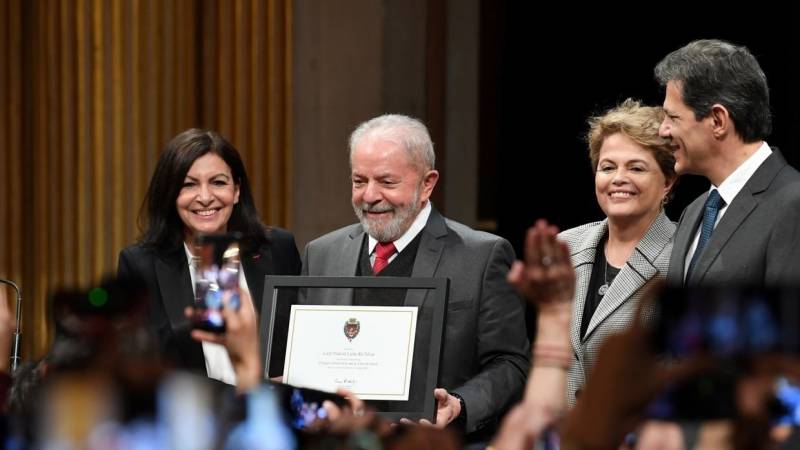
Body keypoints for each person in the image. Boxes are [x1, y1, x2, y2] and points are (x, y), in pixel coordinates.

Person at [301, 114, 530, 441]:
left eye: (386, 182)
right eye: (359, 181)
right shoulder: (321, 254)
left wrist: (460, 404)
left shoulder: (482, 256)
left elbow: (510, 363)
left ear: (427, 183)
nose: (369, 195)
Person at [118, 129, 301, 384]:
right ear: (171, 195)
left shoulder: (278, 248)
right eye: (189, 184)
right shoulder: (140, 264)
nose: (205, 197)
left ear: (236, 190)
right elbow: (138, 368)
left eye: (218, 182)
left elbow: (301, 344)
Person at [528, 99, 676, 405]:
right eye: (607, 167)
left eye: (636, 167)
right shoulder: (565, 246)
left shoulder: (685, 255)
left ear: (668, 182)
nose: (618, 178)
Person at [655, 39, 800, 286]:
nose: (662, 130)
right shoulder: (693, 212)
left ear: (718, 121)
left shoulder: (793, 203)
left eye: (673, 117)